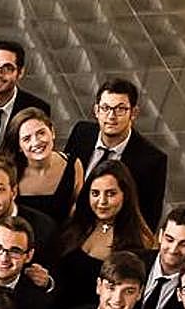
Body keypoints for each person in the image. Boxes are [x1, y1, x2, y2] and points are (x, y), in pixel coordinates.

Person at [63, 77, 168, 228]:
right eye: (105, 108)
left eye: (120, 109)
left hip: (115, 232)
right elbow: (64, 180)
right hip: (69, 224)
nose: (111, 116)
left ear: (134, 113)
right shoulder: (81, 132)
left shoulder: (152, 160)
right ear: (96, 111)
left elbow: (148, 219)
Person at [55, 159, 156, 309]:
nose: (102, 201)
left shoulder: (140, 241)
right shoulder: (76, 223)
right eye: (95, 193)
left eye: (111, 194)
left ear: (125, 195)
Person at [2, 106, 82, 225]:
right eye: (26, 139)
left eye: (41, 133)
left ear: (52, 132)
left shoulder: (74, 164)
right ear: (19, 146)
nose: (36, 142)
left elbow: (77, 211)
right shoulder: (8, 172)